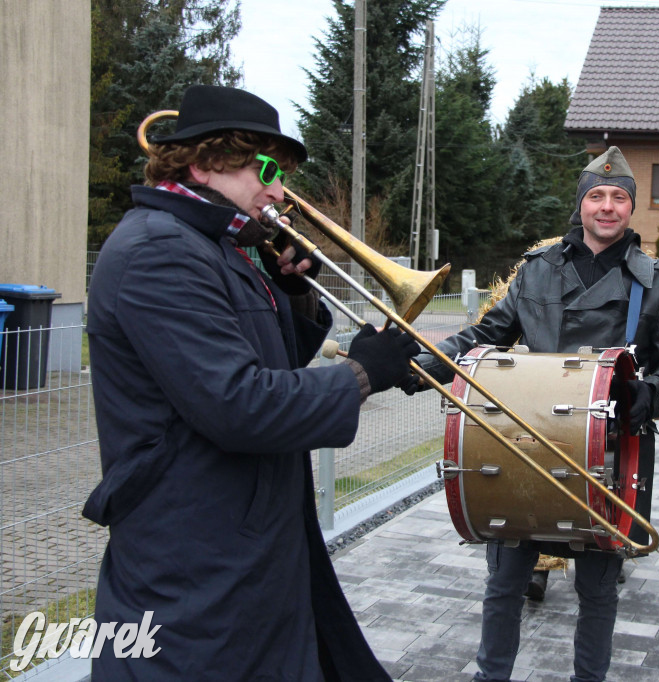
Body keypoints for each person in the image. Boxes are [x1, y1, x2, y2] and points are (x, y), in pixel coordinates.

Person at [83, 85, 419, 681]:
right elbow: (238, 404)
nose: (279, 190)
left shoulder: (217, 246)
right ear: (207, 161)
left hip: (246, 538)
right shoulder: (160, 251)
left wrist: (290, 293)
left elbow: (263, 365)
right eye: (267, 168)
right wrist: (362, 373)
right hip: (195, 556)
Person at [403, 146, 659, 682]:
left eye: (618, 198)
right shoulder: (537, 270)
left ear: (631, 209)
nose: (607, 207)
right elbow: (487, 335)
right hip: (525, 447)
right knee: (505, 580)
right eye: (596, 196)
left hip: (606, 454)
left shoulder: (658, 283)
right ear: (580, 205)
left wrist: (645, 392)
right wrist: (421, 362)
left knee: (597, 590)